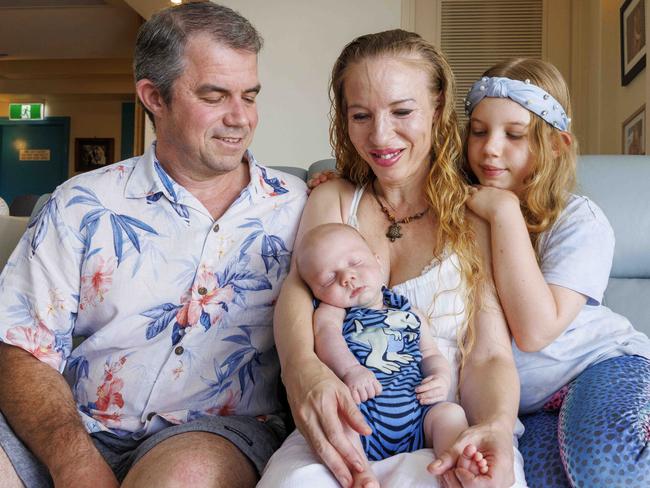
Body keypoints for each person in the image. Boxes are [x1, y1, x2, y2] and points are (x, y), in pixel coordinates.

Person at [0, 3, 306, 488]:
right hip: (73, 420)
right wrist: (74, 463)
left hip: (216, 431)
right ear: (154, 97)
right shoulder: (81, 203)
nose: (240, 118)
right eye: (215, 95)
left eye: (250, 96)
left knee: (183, 478)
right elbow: (20, 347)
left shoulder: (302, 207)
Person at [259, 30, 527, 488]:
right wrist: (302, 371)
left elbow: (488, 356)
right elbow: (297, 298)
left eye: (402, 111)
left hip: (442, 430)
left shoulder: (475, 214)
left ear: (439, 108)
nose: (380, 136)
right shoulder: (334, 200)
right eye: (360, 115)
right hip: (347, 423)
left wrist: (496, 427)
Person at [462, 58, 650, 487]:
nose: (490, 148)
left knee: (608, 465)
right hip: (528, 405)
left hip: (600, 366)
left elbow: (534, 330)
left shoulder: (579, 219)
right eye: (478, 131)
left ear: (555, 146)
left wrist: (505, 211)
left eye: (514, 135)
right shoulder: (462, 206)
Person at [295, 223, 488, 487]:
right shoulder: (334, 312)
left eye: (355, 262)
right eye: (329, 279)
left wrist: (441, 377)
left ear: (377, 261)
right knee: (339, 424)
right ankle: (360, 473)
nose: (347, 277)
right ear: (316, 293)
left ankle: (455, 464)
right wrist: (351, 370)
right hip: (362, 415)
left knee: (450, 414)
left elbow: (430, 353)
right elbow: (326, 337)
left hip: (418, 416)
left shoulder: (410, 313)